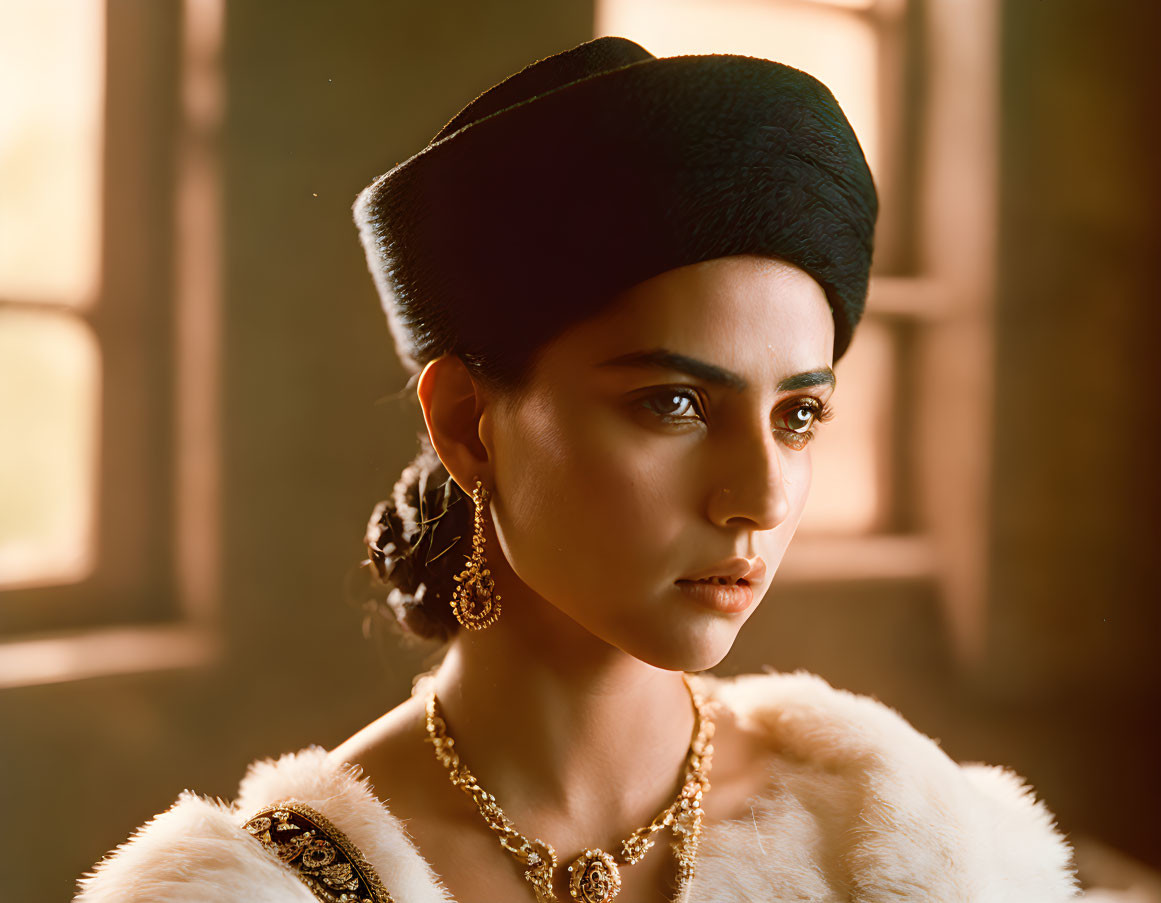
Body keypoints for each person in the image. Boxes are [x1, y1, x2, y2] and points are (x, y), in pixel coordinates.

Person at [74, 35, 1078, 903]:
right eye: (673, 404)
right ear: (470, 424)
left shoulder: (908, 845)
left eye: (799, 414)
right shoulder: (277, 887)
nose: (762, 497)